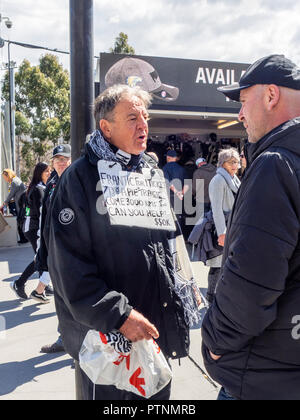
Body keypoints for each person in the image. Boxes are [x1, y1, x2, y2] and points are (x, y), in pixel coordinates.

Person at [45, 85, 193, 400]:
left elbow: (165, 248)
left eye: (145, 117)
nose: (144, 126)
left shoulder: (148, 172)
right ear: (106, 128)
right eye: (132, 118)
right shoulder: (79, 179)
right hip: (109, 342)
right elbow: (68, 267)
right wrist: (120, 316)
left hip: (153, 334)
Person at [201, 54, 300, 400]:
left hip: (264, 374)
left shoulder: (276, 165)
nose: (239, 114)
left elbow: (250, 283)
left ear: (271, 96)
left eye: (243, 101)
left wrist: (214, 341)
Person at [35, 144, 71, 353]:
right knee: (61, 297)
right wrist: (44, 249)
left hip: (73, 250)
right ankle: (65, 339)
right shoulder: (52, 183)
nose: (61, 162)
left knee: (76, 297)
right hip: (54, 248)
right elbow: (46, 217)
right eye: (57, 159)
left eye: (65, 159)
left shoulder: (75, 180)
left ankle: (84, 345)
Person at [10, 162, 52, 301]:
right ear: (39, 173)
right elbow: (42, 212)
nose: (49, 173)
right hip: (34, 228)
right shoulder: (39, 189)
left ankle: (43, 286)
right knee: (40, 258)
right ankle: (19, 283)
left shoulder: (39, 187)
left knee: (42, 257)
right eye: (47, 171)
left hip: (32, 227)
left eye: (50, 171)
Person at [205, 149, 240, 305]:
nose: (235, 166)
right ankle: (211, 298)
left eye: (237, 162)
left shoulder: (234, 179)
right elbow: (216, 209)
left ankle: (225, 296)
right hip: (223, 228)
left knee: (229, 264)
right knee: (217, 264)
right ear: (222, 163)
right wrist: (222, 233)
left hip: (234, 227)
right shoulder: (219, 180)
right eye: (231, 162)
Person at [163, 150, 188, 232]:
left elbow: (168, 182)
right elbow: (187, 183)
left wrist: (177, 192)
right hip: (179, 197)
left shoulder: (165, 168)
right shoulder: (182, 168)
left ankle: (170, 237)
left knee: (169, 217)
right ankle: (179, 236)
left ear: (168, 157)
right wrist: (182, 194)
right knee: (178, 217)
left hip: (169, 196)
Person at [1, 169, 27, 243]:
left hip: (20, 203)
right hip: (21, 202)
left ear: (8, 175)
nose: (5, 179)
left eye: (5, 177)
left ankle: (24, 238)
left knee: (20, 221)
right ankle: (24, 238)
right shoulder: (16, 180)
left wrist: (4, 203)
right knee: (21, 220)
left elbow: (11, 194)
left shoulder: (14, 182)